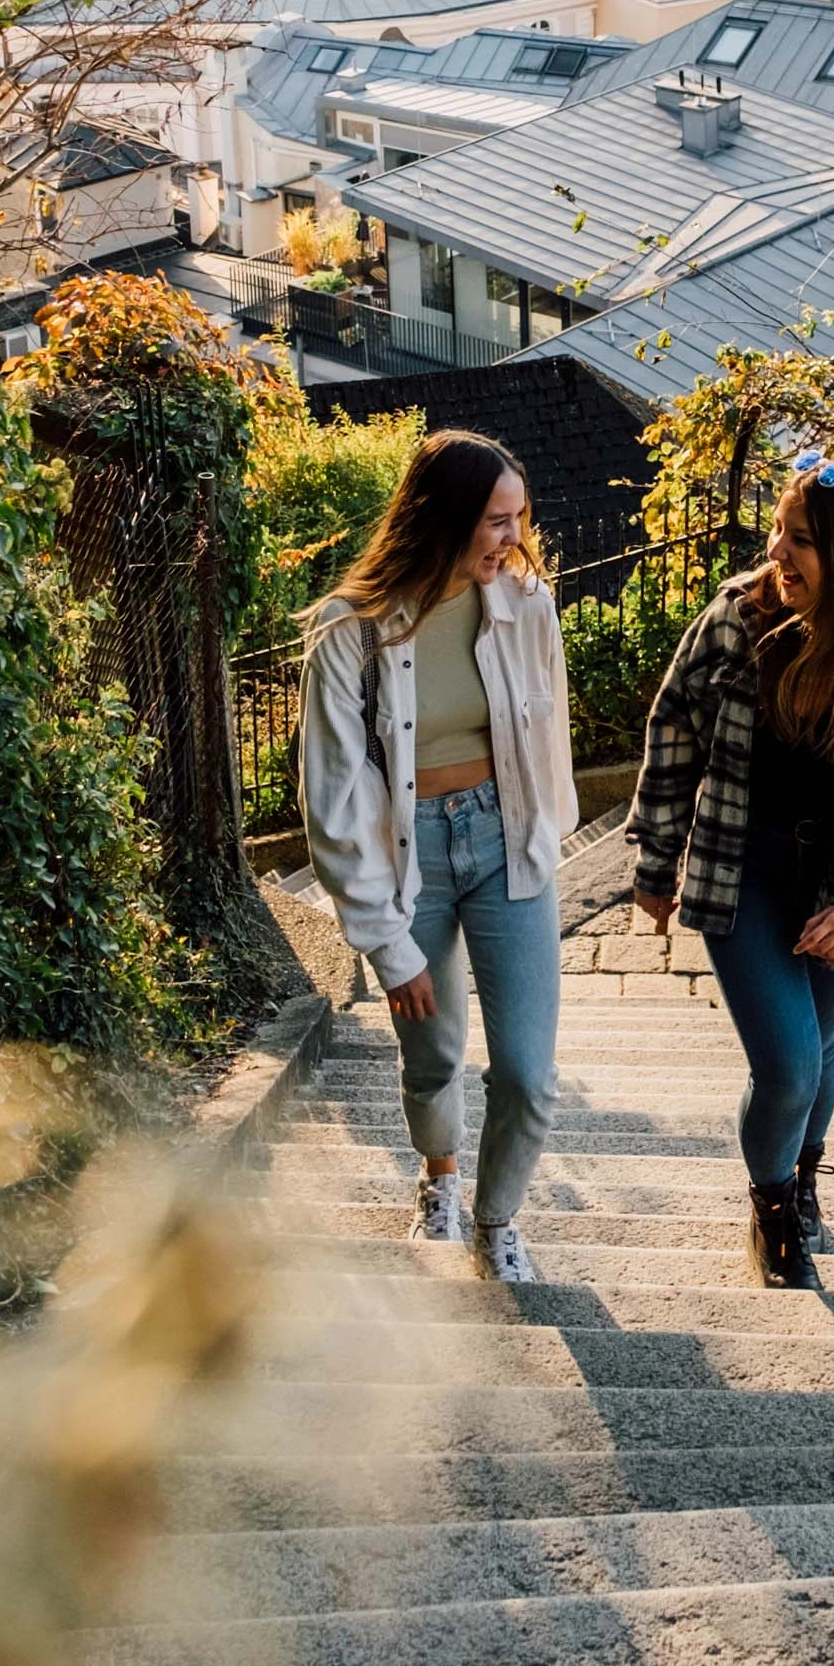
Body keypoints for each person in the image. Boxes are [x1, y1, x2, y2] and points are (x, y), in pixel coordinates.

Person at [628, 458, 834, 1288]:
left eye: (801, 539)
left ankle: (804, 1175)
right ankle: (773, 1209)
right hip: (740, 869)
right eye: (778, 530)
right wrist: (657, 859)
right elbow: (673, 731)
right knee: (787, 1065)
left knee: (822, 1043)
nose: (776, 550)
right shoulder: (735, 617)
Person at [299, 430, 577, 1282]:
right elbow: (333, 796)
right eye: (495, 521)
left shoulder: (526, 606)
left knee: (527, 1073)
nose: (512, 538)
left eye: (517, 519)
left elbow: (549, 729)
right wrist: (384, 941)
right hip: (405, 854)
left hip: (505, 844)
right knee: (432, 1054)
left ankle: (498, 1220)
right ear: (444, 517)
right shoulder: (349, 631)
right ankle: (439, 1181)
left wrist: (544, 833)